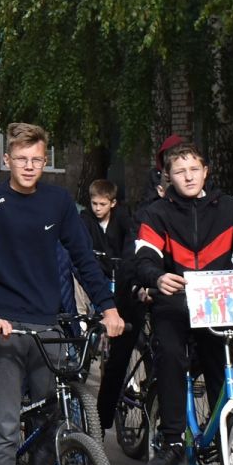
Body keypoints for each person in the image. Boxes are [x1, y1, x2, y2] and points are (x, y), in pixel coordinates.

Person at [0, 125, 124, 465]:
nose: (29, 166)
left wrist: (107, 307)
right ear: (8, 159)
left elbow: (83, 259)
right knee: (6, 425)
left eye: (37, 159)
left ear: (44, 159)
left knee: (52, 417)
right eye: (22, 158)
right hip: (6, 327)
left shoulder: (57, 203)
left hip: (48, 324)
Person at [133, 144, 233, 465]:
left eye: (194, 169)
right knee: (170, 356)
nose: (188, 176)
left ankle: (229, 443)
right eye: (179, 171)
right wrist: (156, 276)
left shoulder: (230, 209)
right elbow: (144, 256)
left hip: (219, 303)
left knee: (224, 364)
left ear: (206, 172)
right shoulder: (156, 213)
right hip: (175, 302)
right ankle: (172, 443)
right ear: (168, 177)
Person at [80, 179, 141, 433]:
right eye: (94, 203)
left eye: (102, 204)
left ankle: (137, 383)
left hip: (122, 277)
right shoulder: (85, 220)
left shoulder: (124, 219)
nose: (97, 208)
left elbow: (132, 246)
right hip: (98, 276)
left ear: (113, 203)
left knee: (132, 333)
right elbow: (81, 248)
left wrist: (128, 267)